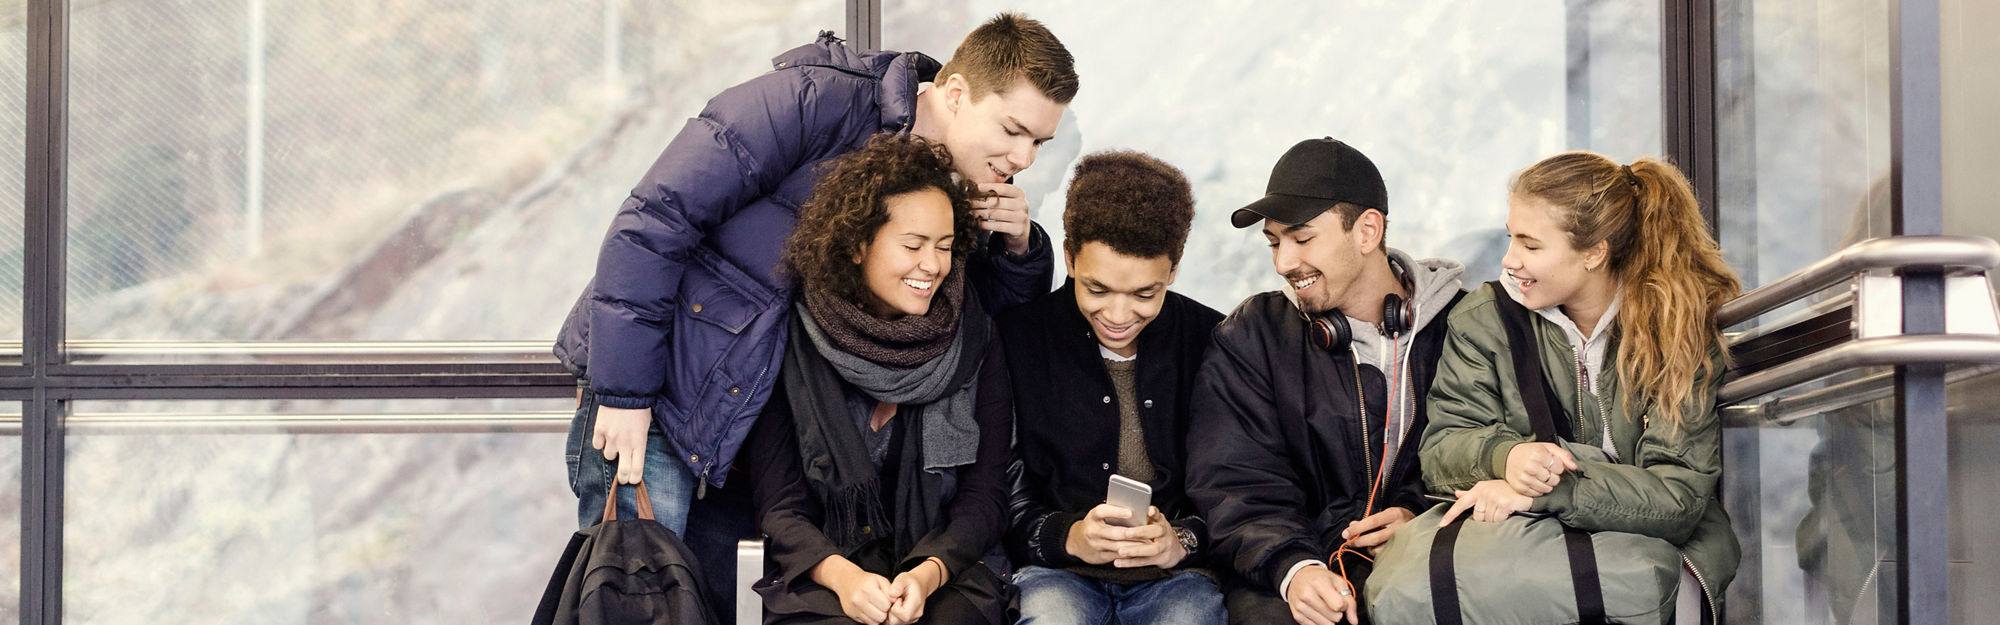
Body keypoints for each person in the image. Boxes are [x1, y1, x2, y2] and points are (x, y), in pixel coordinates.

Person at [553, 11, 1074, 544]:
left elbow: (972, 333)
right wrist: (626, 394)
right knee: (639, 590)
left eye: (1040, 143)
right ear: (957, 93)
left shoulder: (961, 177)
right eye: (1013, 131)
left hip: (759, 425)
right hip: (667, 390)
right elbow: (652, 223)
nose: (1023, 158)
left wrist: (1017, 250)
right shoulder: (814, 99)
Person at [1419, 152, 1743, 624]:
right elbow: (1442, 448)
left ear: (1594, 252)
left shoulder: (1675, 329)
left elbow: (1678, 497)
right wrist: (1505, 458)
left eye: (1530, 245)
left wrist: (1545, 490)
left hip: (1651, 560)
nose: (1509, 260)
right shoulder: (1483, 320)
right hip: (1528, 562)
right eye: (1511, 238)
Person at [1185, 138, 1467, 625]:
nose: (1283, 263)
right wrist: (1296, 569)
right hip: (1294, 574)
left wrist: (1420, 519)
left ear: (1367, 230)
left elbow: (1491, 451)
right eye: (1274, 242)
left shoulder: (1468, 327)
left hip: (1433, 561)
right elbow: (1235, 481)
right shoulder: (1253, 334)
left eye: (1301, 239)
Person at [746, 134, 1017, 625]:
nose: (932, 266)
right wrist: (844, 579)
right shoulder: (796, 342)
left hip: (949, 569)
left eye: (945, 247)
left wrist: (926, 574)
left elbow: (986, 497)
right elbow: (780, 506)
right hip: (826, 571)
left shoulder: (976, 338)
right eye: (912, 245)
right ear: (855, 245)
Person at [997, 151, 1227, 625]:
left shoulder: (1214, 340)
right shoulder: (1014, 339)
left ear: (1174, 270)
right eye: (1097, 290)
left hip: (1177, 580)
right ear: (1069, 257)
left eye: (1145, 294)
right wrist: (1068, 537)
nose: (1119, 317)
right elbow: (998, 490)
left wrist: (1181, 541)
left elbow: (1238, 485)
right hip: (1054, 573)